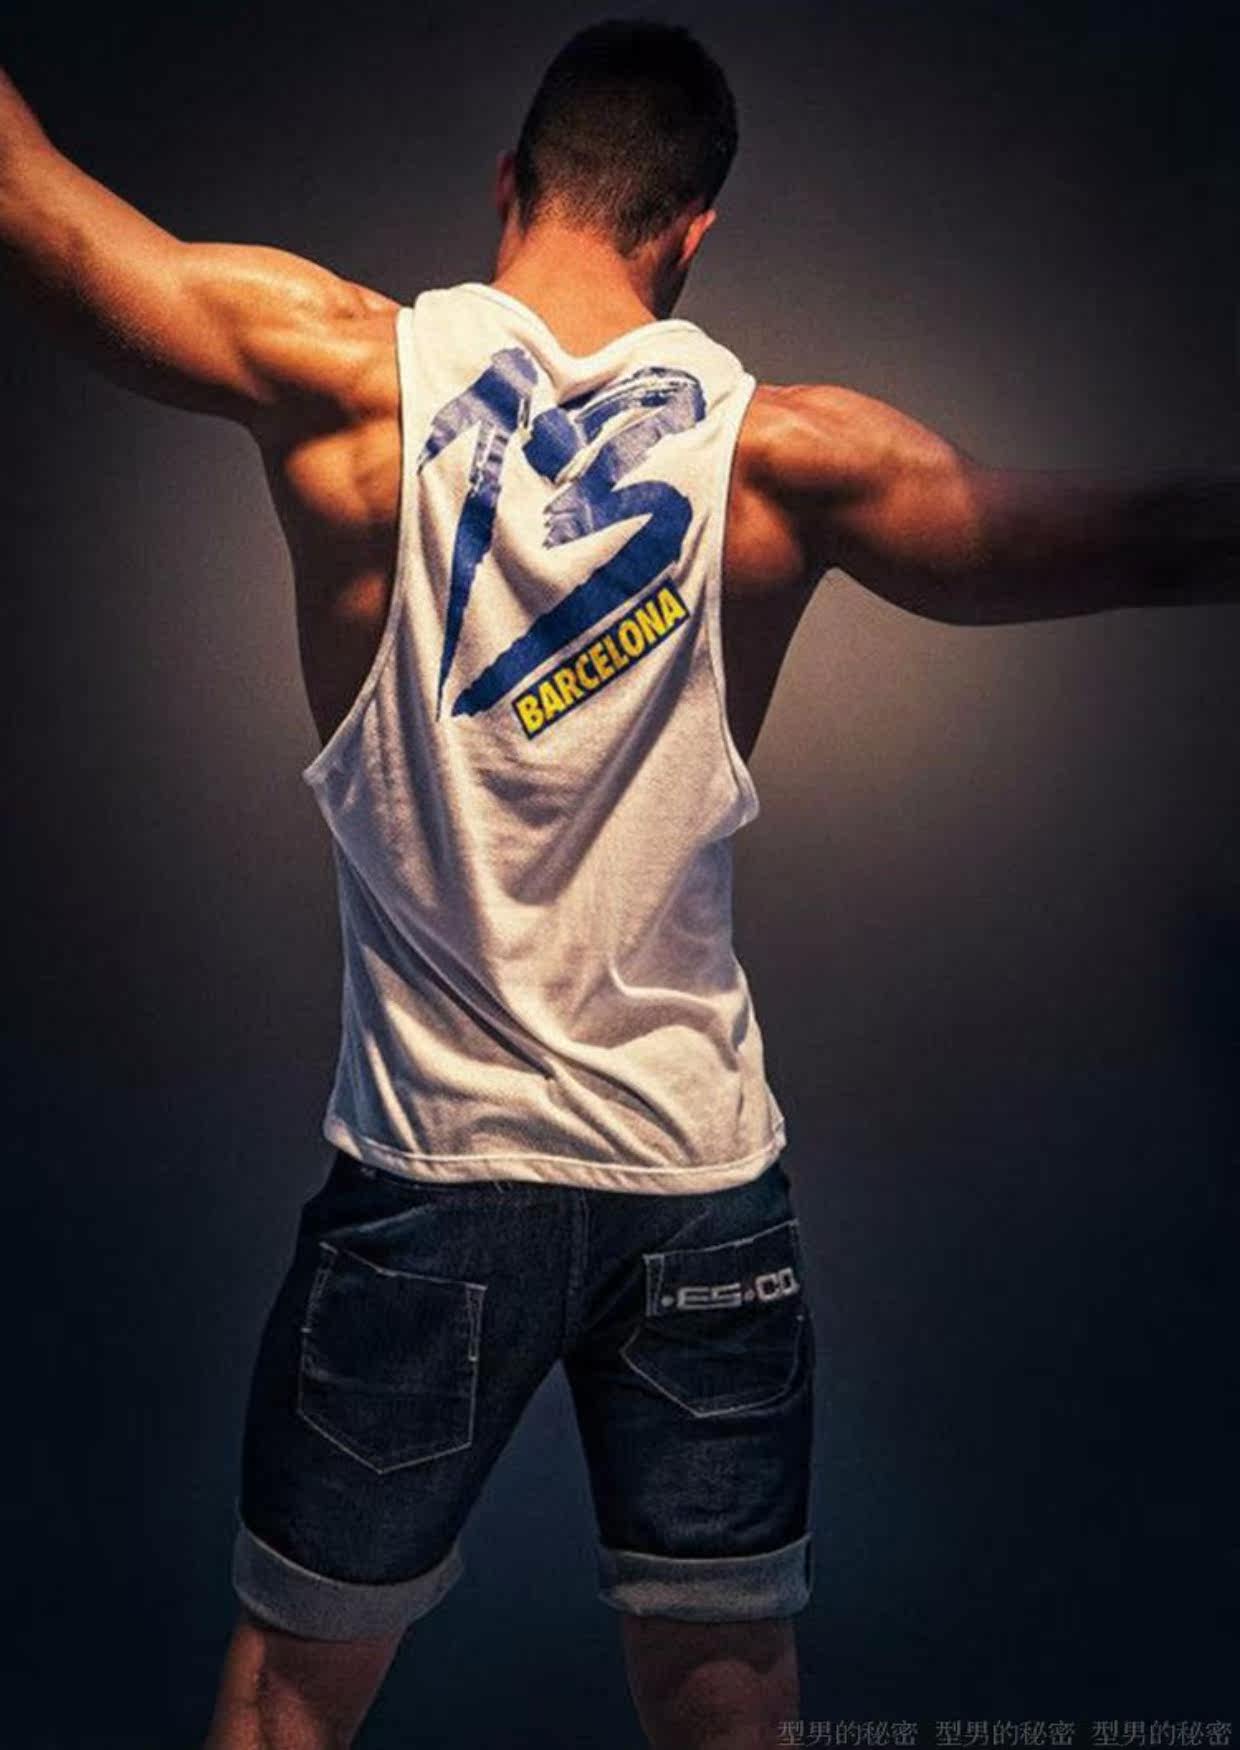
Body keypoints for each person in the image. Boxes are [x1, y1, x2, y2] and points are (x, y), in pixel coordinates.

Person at [1, 17, 1234, 1750]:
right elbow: (1144, 536)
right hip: (698, 1185)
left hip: (433, 1181)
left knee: (286, 1701)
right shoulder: (790, 459)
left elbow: (36, 212)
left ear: (511, 179)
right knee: (730, 1712)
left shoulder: (345, 372)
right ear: (693, 230)